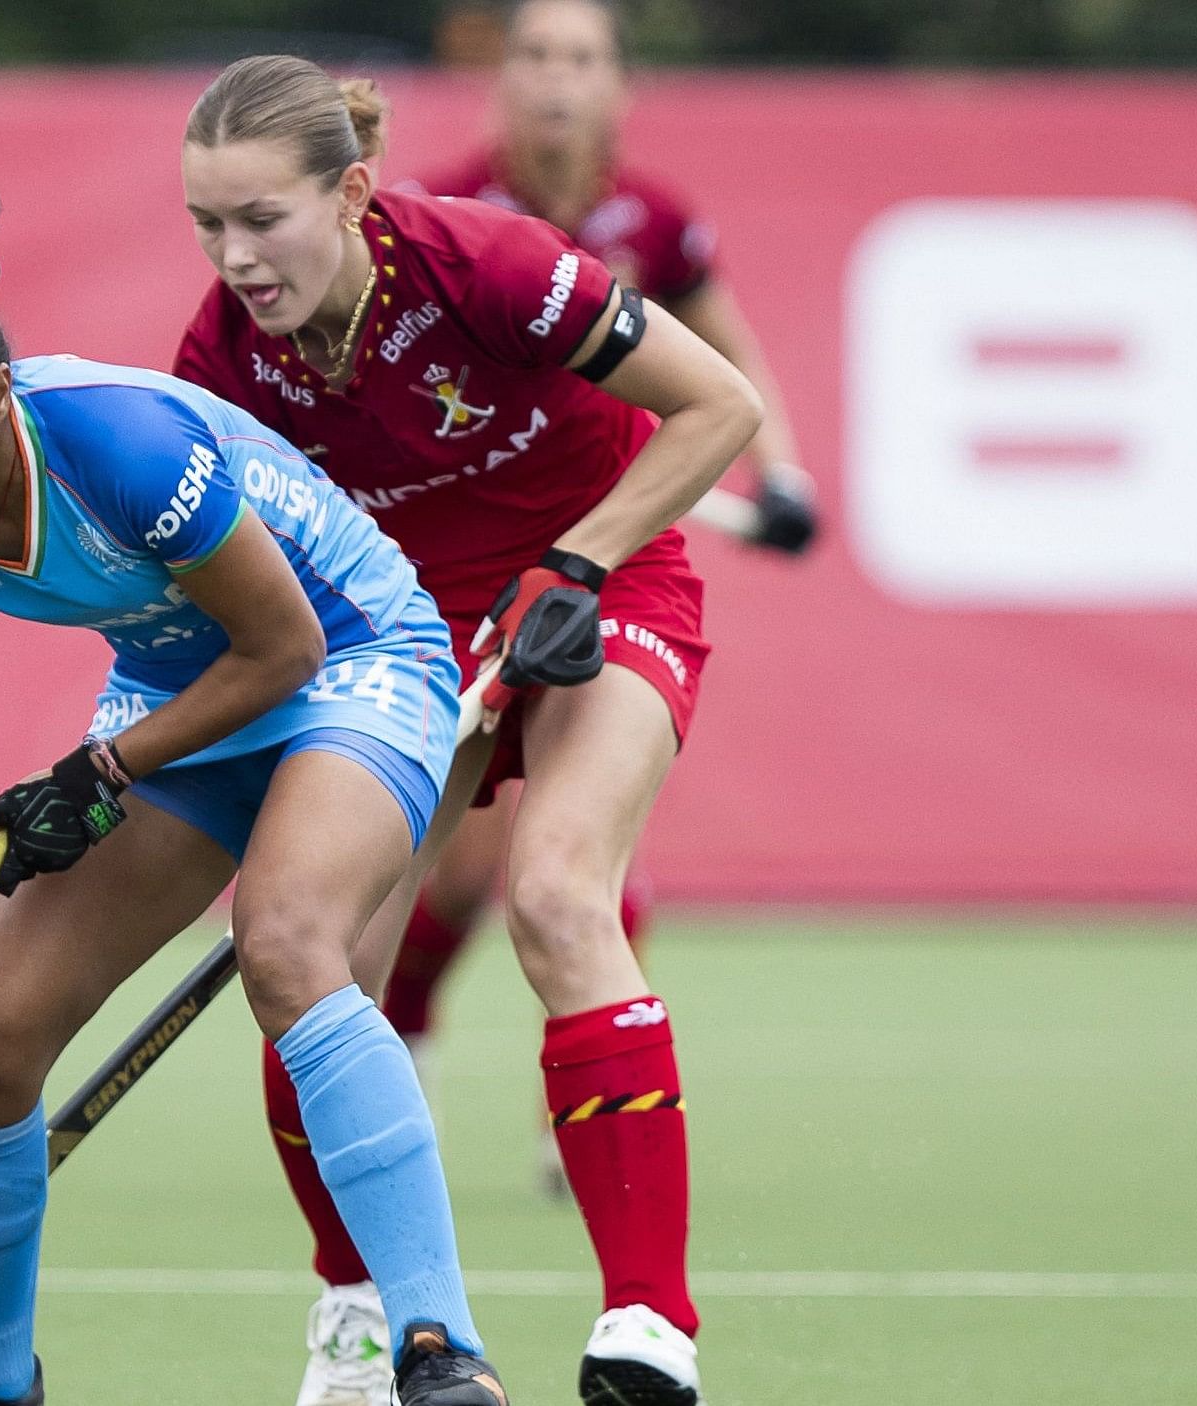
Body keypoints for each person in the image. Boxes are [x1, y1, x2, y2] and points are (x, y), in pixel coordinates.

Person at [0, 176, 507, 1406]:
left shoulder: (120, 445)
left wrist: (101, 772)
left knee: (288, 941)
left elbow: (284, 649)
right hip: (182, 694)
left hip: (354, 654)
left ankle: (436, 1344)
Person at [173, 55, 762, 1406]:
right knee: (313, 954)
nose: (237, 257)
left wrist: (578, 559)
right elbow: (244, 584)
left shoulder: (490, 266)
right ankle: (356, 1310)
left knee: (559, 891)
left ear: (355, 193)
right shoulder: (223, 361)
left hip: (601, 580)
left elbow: (718, 405)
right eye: (209, 225)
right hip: (407, 640)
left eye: (264, 220)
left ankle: (649, 1327)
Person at [387, 0, 821, 1162]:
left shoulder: (655, 219)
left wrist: (781, 473)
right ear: (499, 79)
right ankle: (405, 1038)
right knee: (469, 868)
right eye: (534, 57)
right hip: (484, 556)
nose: (555, 81)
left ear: (619, 83)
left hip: (618, 548)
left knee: (572, 854)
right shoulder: (447, 215)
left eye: (581, 58)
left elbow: (726, 356)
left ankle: (577, 1096)